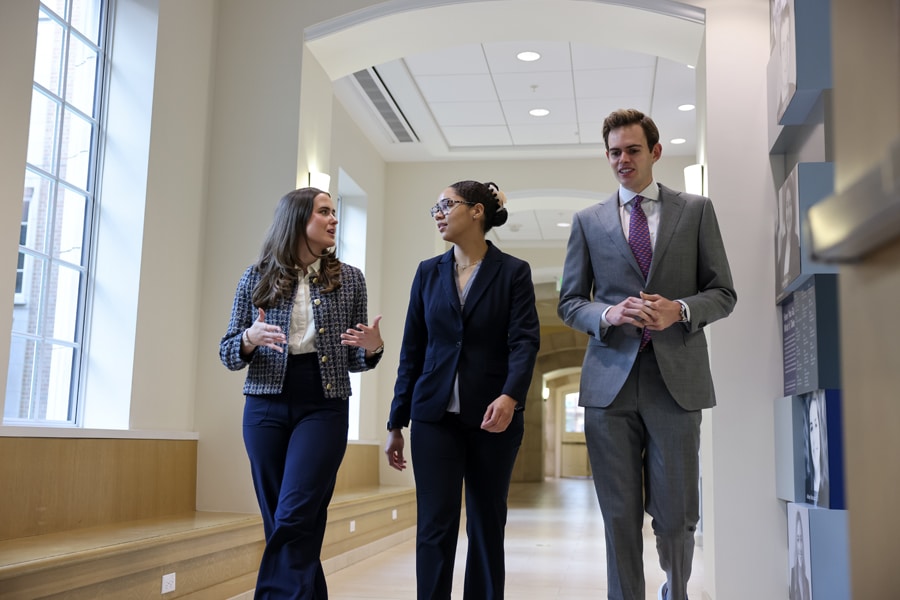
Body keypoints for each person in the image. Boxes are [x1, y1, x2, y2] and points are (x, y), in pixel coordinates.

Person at [557, 109, 737, 600]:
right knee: (618, 516)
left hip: (675, 383)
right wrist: (609, 315)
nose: (622, 160)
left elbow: (723, 292)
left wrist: (678, 309)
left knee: (677, 514)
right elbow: (570, 302)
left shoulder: (696, 211)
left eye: (632, 150)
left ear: (655, 152)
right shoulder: (588, 221)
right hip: (607, 386)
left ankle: (674, 589)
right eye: (614, 152)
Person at [219, 187, 384, 599]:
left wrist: (373, 348)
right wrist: (248, 338)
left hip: (324, 404)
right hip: (264, 405)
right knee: (281, 520)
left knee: (295, 514)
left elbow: (355, 360)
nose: (334, 219)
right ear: (297, 220)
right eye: (324, 212)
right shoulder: (254, 277)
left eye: (334, 212)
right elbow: (228, 354)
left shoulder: (350, 280)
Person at [385, 180, 540, 599]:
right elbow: (412, 349)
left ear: (476, 211)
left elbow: (524, 342)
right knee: (435, 525)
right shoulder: (427, 272)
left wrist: (511, 395)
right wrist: (397, 421)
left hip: (495, 417)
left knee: (487, 524)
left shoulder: (513, 272)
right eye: (434, 207)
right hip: (434, 417)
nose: (437, 213)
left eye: (445, 204)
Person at [805, 390, 829, 506]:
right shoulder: (806, 485)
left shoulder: (828, 486)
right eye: (811, 428)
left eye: (816, 425)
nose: (814, 437)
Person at [789, 509, 812, 600]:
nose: (800, 547)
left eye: (802, 540)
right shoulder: (792, 575)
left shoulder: (806, 581)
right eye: (798, 540)